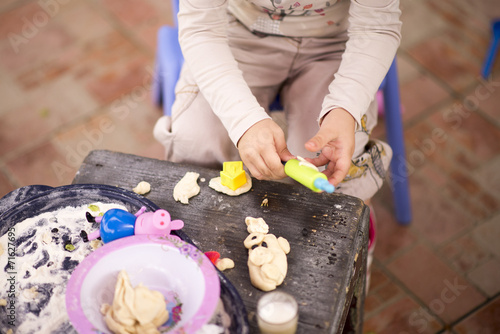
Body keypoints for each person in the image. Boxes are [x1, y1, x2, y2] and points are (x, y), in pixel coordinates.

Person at [154, 0, 402, 285]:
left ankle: (353, 247)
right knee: (196, 139)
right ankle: (197, 249)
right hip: (236, 38)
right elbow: (201, 29)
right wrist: (244, 120)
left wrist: (345, 107)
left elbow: (377, 27)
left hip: (338, 47)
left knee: (341, 161)